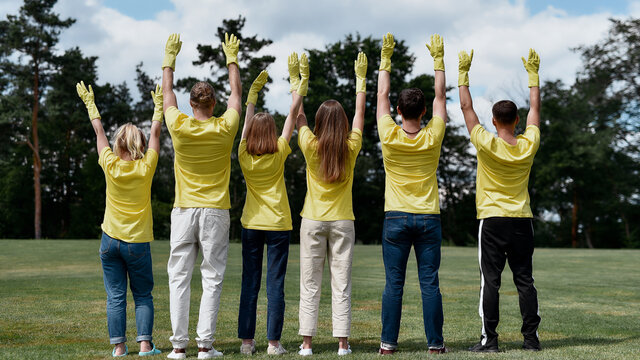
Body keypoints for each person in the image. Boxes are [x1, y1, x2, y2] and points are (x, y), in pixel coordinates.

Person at [161, 33, 242, 359]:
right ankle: (205, 346)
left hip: (183, 211)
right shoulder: (225, 128)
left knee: (178, 278)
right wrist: (231, 58)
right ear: (213, 103)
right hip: (214, 212)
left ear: (192, 104)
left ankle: (179, 347)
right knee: (212, 277)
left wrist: (169, 58)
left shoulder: (178, 125)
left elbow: (167, 92)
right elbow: (237, 93)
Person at [458, 48, 542, 353]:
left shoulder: (485, 142)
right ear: (517, 120)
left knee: (490, 282)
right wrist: (533, 76)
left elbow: (466, 108)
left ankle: (489, 341)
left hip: (492, 220)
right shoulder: (529, 144)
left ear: (493, 121)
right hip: (522, 219)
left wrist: (463, 75)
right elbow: (536, 110)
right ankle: (530, 340)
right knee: (525, 281)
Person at [76, 81, 163, 357]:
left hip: (110, 241)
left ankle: (118, 348)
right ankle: (145, 346)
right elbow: (158, 134)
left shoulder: (110, 164)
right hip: (137, 243)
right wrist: (157, 109)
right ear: (139, 144)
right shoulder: (146, 166)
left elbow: (99, 131)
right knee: (142, 296)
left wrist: (91, 105)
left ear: (119, 145)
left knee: (115, 296)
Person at [376, 33, 448, 355]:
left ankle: (389, 344)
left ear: (398, 110)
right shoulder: (433, 134)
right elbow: (442, 98)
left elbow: (380, 94)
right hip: (429, 217)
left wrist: (386, 60)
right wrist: (438, 62)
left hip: (395, 217)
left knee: (394, 285)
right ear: (423, 113)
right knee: (429, 284)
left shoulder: (389, 134)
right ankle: (435, 345)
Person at [296, 51, 367, 356]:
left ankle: (307, 344)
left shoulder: (310, 144)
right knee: (342, 284)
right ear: (343, 122)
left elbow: (297, 116)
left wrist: (299, 83)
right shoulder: (351, 146)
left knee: (310, 284)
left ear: (319, 121)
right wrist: (361, 81)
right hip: (342, 222)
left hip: (312, 220)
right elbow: (362, 114)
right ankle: (343, 344)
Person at [236, 60, 302, 356]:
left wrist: (252, 97)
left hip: (251, 224)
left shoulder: (243, 155)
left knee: (250, 283)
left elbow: (244, 131)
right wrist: (297, 84)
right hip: (278, 225)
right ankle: (273, 343)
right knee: (275, 284)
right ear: (272, 131)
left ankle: (247, 343)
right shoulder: (279, 152)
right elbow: (292, 114)